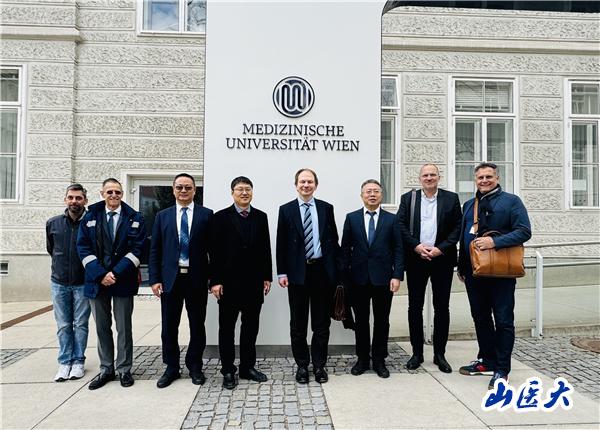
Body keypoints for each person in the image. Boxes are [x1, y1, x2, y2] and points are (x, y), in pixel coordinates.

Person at [457, 162, 531, 389]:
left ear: (497, 178)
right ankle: (487, 360)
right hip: (474, 273)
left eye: (489, 176)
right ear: (475, 180)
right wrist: (462, 267)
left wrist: (494, 242)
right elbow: (463, 237)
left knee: (503, 320)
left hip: (501, 273)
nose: (484, 180)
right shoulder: (469, 205)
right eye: (480, 177)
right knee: (480, 318)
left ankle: (502, 369)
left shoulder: (512, 201)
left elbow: (524, 231)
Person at [77, 178, 146, 390]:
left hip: (122, 280)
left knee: (124, 328)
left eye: (117, 192)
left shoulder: (135, 218)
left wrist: (115, 273)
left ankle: (124, 369)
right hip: (97, 282)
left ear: (122, 194)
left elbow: (138, 250)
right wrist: (100, 274)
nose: (114, 195)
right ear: (102, 193)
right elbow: (83, 248)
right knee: (102, 327)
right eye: (109, 192)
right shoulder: (90, 217)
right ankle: (106, 369)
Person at [276, 168, 341, 384]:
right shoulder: (286, 210)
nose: (306, 185)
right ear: (296, 185)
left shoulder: (326, 208)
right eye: (302, 182)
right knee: (298, 323)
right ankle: (302, 365)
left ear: (316, 185)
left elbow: (333, 241)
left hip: (322, 272)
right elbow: (281, 244)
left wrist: (336, 271)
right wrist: (282, 272)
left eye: (310, 182)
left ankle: (319, 365)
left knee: (321, 323)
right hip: (297, 273)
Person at [149, 173, 212, 388]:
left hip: (197, 279)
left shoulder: (206, 215)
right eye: (179, 187)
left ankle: (195, 366)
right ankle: (171, 367)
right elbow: (155, 250)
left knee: (197, 325)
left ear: (194, 190)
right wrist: (154, 279)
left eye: (187, 187)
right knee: (169, 327)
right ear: (173, 190)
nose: (183, 191)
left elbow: (214, 250)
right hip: (170, 280)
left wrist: (213, 279)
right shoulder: (162, 216)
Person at [397, 164, 462, 373]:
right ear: (420, 178)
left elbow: (458, 227)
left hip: (442, 258)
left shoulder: (451, 199)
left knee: (442, 307)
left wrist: (440, 249)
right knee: (414, 307)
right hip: (416, 259)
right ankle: (417, 353)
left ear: (439, 177)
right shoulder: (409, 199)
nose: (429, 178)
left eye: (433, 174)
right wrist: (416, 246)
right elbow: (400, 225)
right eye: (425, 175)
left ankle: (439, 354)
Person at [210, 176, 272, 389]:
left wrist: (267, 276)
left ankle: (247, 367)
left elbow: (265, 249)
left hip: (254, 283)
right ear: (232, 193)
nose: (244, 193)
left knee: (250, 328)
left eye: (248, 189)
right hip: (228, 284)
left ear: (252, 192)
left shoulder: (261, 217)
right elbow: (214, 252)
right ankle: (228, 370)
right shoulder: (220, 217)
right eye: (240, 189)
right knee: (226, 329)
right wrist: (215, 281)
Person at [341, 179, 403, 378]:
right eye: (368, 192)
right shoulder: (351, 218)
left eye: (376, 191)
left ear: (381, 195)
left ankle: (379, 360)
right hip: (357, 279)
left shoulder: (391, 219)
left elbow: (398, 249)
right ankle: (362, 359)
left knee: (382, 321)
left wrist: (397, 275)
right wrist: (345, 277)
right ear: (362, 196)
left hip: (384, 279)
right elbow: (345, 249)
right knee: (361, 321)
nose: (372, 195)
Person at [46, 184, 91, 382]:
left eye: (78, 198)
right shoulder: (53, 223)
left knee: (80, 324)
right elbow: (51, 249)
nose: (74, 201)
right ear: (65, 199)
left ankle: (78, 361)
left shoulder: (90, 223)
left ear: (85, 201)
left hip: (83, 282)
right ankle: (65, 362)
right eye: (71, 197)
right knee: (63, 325)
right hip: (59, 282)